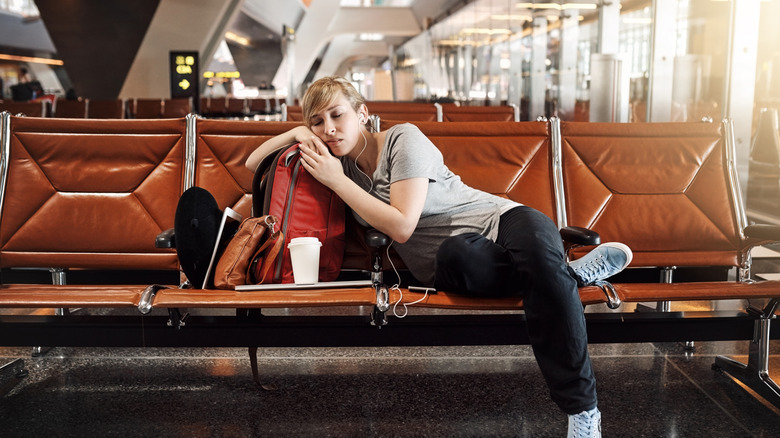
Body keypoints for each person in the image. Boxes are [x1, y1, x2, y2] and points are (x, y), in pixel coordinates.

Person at [246, 76, 632, 438]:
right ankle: (567, 275)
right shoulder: (335, 164)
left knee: (540, 268)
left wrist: (336, 180)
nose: (328, 128)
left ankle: (582, 413)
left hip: (504, 220)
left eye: (337, 115)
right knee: (471, 258)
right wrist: (297, 132)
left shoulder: (403, 140)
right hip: (453, 262)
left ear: (362, 114)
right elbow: (253, 164)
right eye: (317, 122)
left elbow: (401, 225)